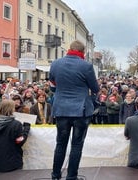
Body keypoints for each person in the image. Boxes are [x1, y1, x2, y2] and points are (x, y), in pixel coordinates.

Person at [50, 40, 99, 180]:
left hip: (61, 109)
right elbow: (95, 88)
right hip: (80, 111)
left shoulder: (55, 64)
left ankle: (55, 175)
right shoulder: (86, 66)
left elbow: (52, 85)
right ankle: (71, 176)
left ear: (69, 49)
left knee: (60, 143)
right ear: (82, 52)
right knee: (76, 145)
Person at [0, 100, 30, 172]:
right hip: (13, 162)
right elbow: (20, 142)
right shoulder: (16, 124)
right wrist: (26, 129)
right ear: (11, 109)